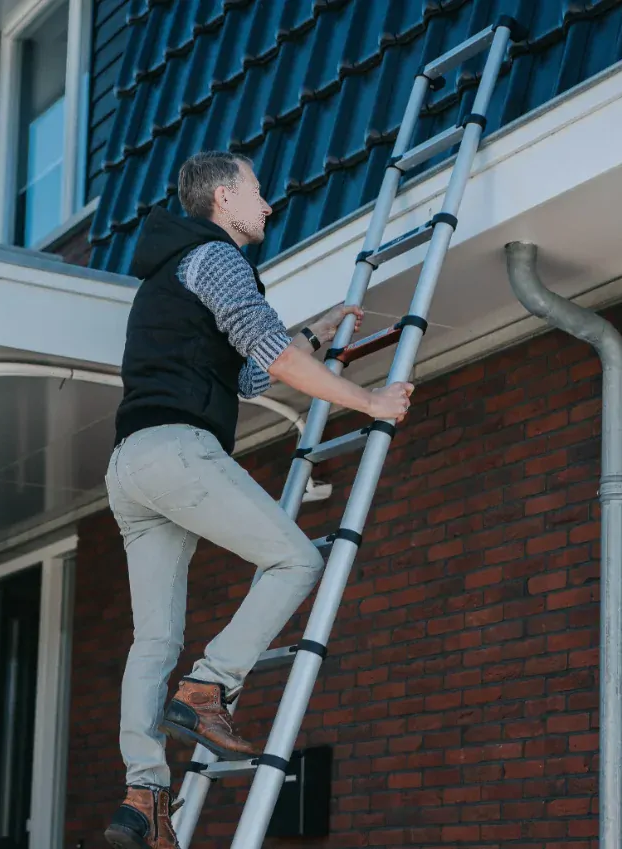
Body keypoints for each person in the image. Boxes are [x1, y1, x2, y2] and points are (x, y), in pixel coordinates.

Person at [103, 151, 413, 849]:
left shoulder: (170, 267)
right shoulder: (215, 258)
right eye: (257, 191)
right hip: (179, 451)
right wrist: (369, 400)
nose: (268, 204)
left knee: (153, 638)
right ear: (220, 196)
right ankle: (208, 688)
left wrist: (316, 335)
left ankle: (143, 793)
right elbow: (267, 356)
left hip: (131, 466)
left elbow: (243, 374)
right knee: (296, 562)